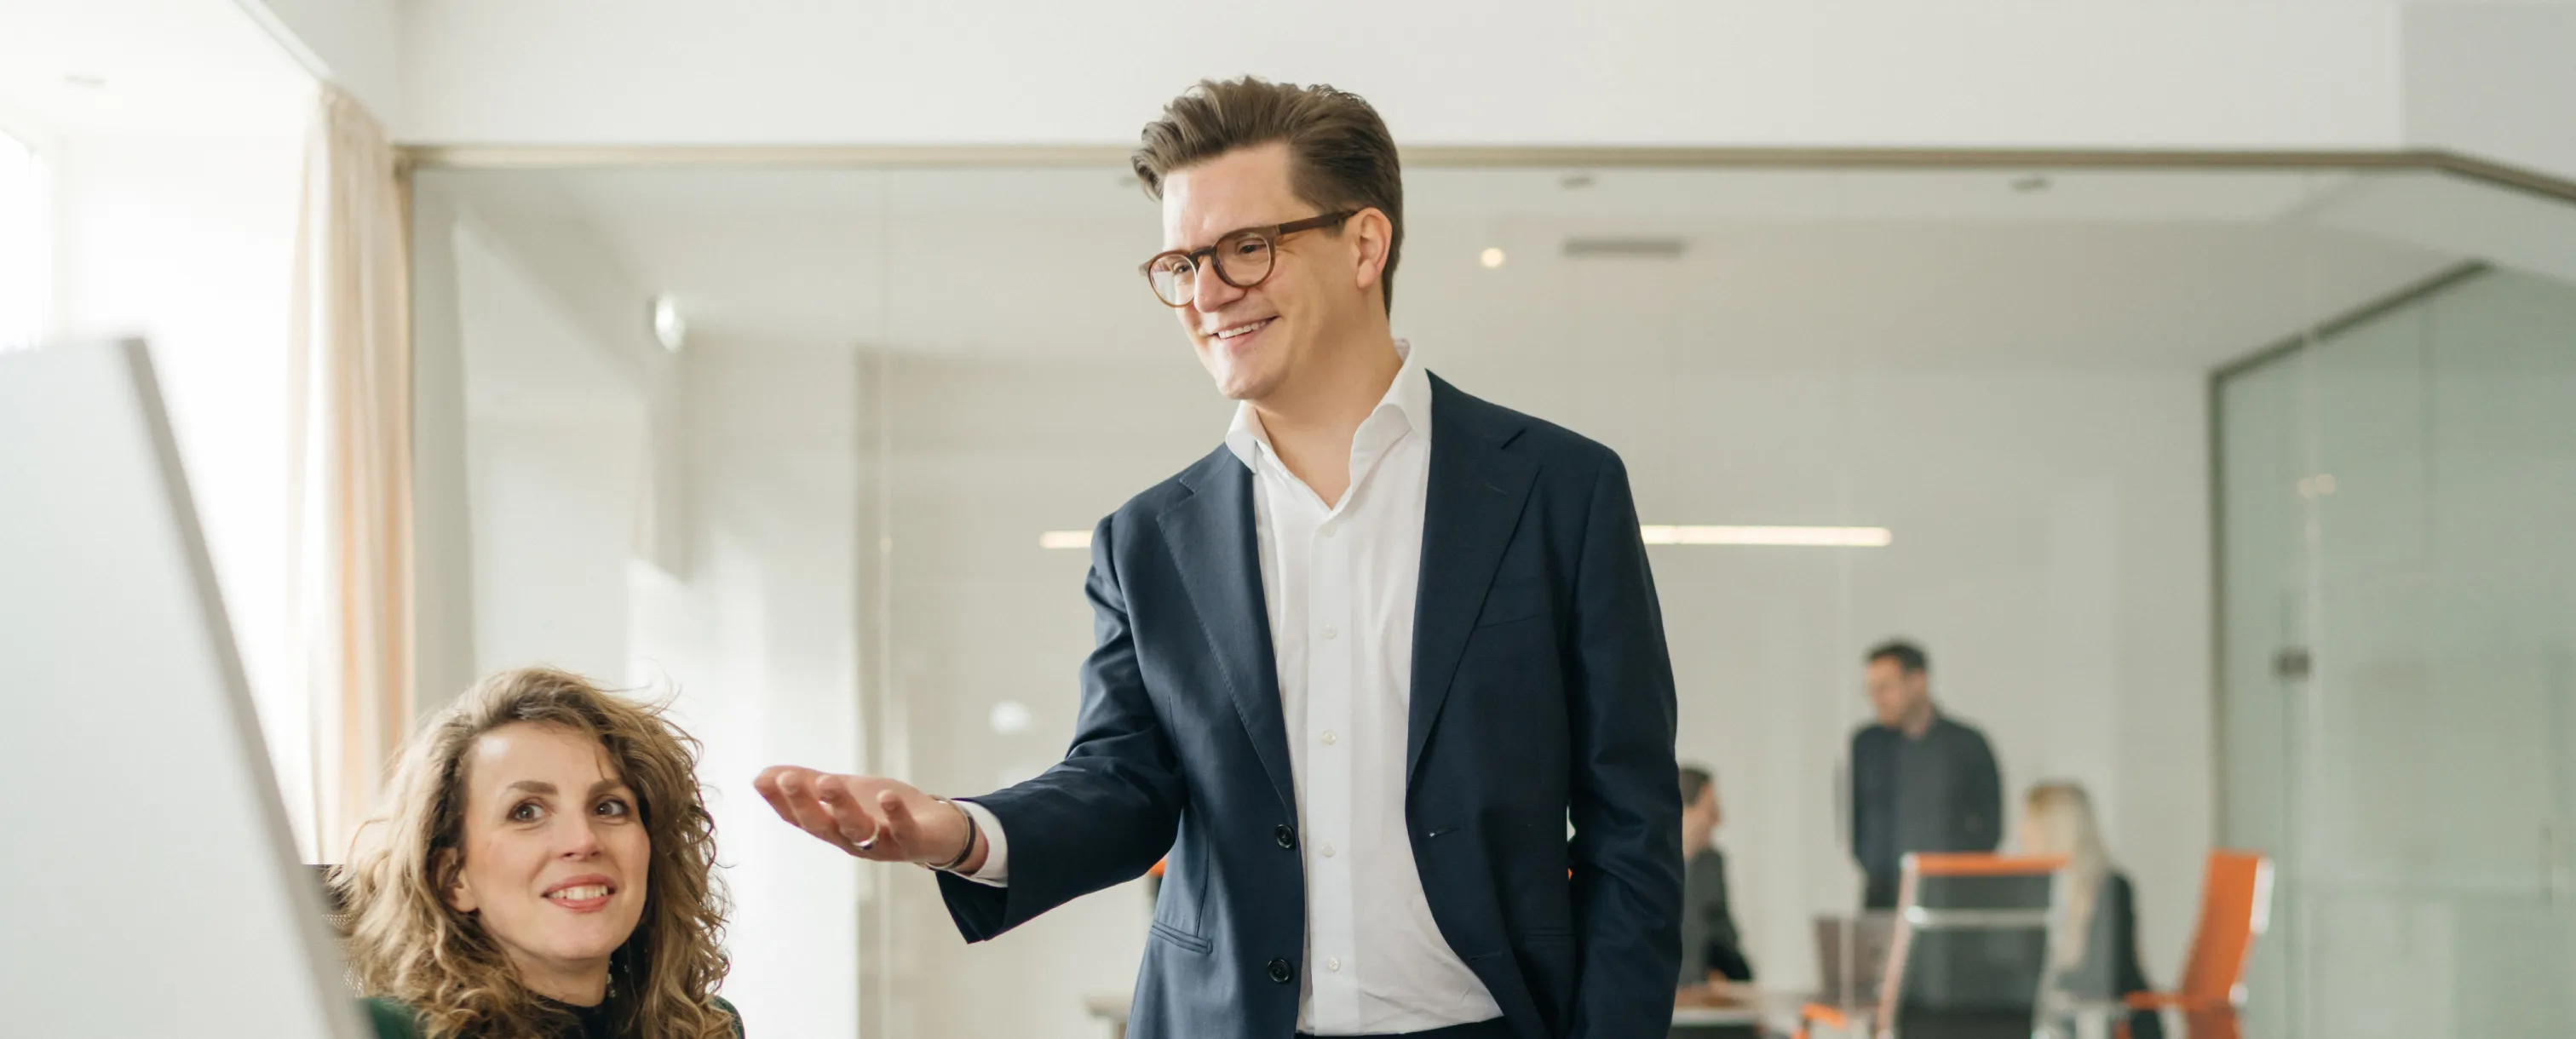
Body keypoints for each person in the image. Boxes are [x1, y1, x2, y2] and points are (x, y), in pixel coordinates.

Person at [755, 77, 1682, 1039]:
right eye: (1182, 261)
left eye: (1247, 248)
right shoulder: (1148, 537)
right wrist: (962, 830)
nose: (1206, 294)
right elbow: (1125, 783)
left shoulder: (1557, 491)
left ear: (1365, 243)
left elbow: (1632, 827)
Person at [331, 667, 742, 1039]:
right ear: (453, 877)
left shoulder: (707, 1027)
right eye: (526, 812)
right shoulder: (374, 1030)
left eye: (608, 807)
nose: (583, 840)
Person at [1849, 640, 2002, 909]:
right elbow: (1858, 819)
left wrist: (1961, 874)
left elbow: (1989, 825)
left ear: (1918, 681)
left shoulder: (1966, 744)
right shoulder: (1867, 745)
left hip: (1951, 898)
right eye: (1871, 690)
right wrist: (1874, 866)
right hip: (1884, 897)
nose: (1877, 698)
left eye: (1885, 688)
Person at [2020, 783, 2162, 1039]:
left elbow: (2106, 974)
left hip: (2117, 1023)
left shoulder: (2111, 888)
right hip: (2068, 1021)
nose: (2023, 832)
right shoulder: (2039, 890)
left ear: (2054, 828)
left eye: (2031, 822)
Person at [1676, 766, 1752, 994]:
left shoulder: (1712, 863)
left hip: (1704, 1000)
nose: (1717, 821)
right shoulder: (1643, 867)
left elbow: (1725, 937)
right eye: (1710, 810)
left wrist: (1739, 983)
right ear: (1684, 811)